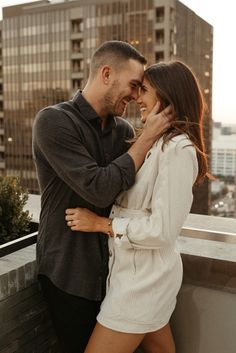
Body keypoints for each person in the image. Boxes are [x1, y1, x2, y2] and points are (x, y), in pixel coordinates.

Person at [32, 40, 171, 353]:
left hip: (119, 272)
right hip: (70, 273)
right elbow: (100, 188)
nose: (136, 96)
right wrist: (147, 137)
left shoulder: (122, 130)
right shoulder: (54, 121)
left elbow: (137, 194)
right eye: (134, 85)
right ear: (106, 73)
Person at [65, 61, 209, 353]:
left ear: (167, 97)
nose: (137, 98)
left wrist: (100, 224)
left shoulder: (178, 150)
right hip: (133, 275)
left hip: (143, 283)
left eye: (144, 90)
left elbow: (163, 230)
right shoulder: (155, 145)